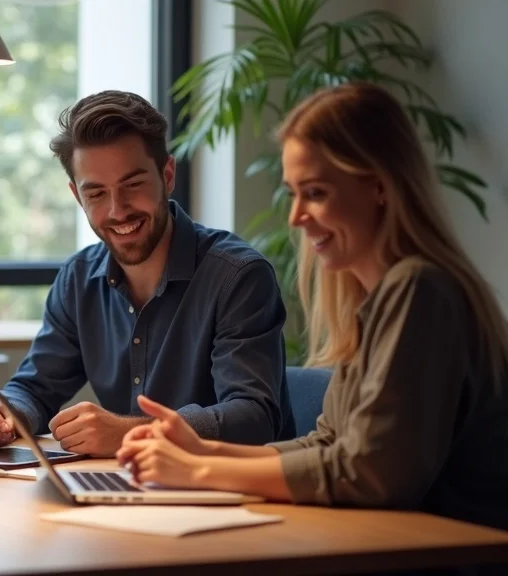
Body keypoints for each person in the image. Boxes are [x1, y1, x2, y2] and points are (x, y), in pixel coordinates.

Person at [116, 82, 508, 533]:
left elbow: (370, 473)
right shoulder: (381, 297)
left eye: (316, 193)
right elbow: (329, 444)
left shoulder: (419, 290)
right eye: (293, 193)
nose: (296, 217)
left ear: (380, 186)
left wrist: (198, 472)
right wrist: (202, 450)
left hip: (453, 554)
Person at [0, 90, 294, 457]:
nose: (117, 211)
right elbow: (34, 389)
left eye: (132, 185)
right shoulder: (78, 279)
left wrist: (129, 434)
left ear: (167, 175)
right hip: (133, 492)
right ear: (77, 197)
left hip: (235, 495)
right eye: (97, 194)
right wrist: (4, 416)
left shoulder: (239, 277)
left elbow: (252, 417)